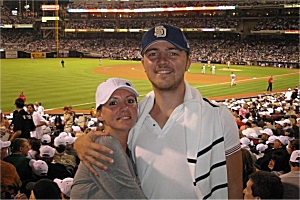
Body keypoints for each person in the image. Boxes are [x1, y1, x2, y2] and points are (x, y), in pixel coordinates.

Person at [74, 24, 243, 199]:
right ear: (143, 64)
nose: (162, 61)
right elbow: (110, 138)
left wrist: (78, 143)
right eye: (153, 54)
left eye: (172, 53)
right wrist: (80, 143)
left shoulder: (218, 117)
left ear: (188, 62)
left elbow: (235, 189)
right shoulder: (134, 117)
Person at [71, 78, 146, 199]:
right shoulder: (106, 145)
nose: (124, 107)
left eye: (130, 101)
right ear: (99, 115)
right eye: (113, 103)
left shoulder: (131, 146)